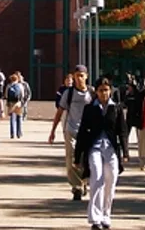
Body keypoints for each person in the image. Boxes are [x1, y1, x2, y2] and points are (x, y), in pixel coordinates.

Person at [75, 78, 129, 230]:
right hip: (95, 148)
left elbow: (122, 131)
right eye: (100, 90)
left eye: (106, 90)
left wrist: (125, 152)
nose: (103, 93)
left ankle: (106, 215)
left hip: (111, 149)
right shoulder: (90, 108)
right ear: (96, 92)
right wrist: (77, 155)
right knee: (97, 178)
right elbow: (82, 133)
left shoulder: (117, 108)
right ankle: (95, 218)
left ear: (110, 91)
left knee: (110, 181)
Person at [49, 64, 92, 200]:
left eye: (81, 75)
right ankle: (76, 187)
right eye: (76, 75)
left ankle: (84, 181)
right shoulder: (68, 93)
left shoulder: (92, 93)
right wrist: (53, 131)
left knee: (87, 159)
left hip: (88, 132)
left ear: (86, 76)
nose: (79, 78)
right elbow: (59, 112)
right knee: (72, 159)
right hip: (71, 129)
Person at [6, 73, 25, 138]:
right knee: (19, 118)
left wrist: (7, 103)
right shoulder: (20, 85)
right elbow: (22, 95)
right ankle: (19, 133)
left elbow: (6, 95)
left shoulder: (9, 86)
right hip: (18, 103)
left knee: (12, 118)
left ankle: (12, 133)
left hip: (11, 103)